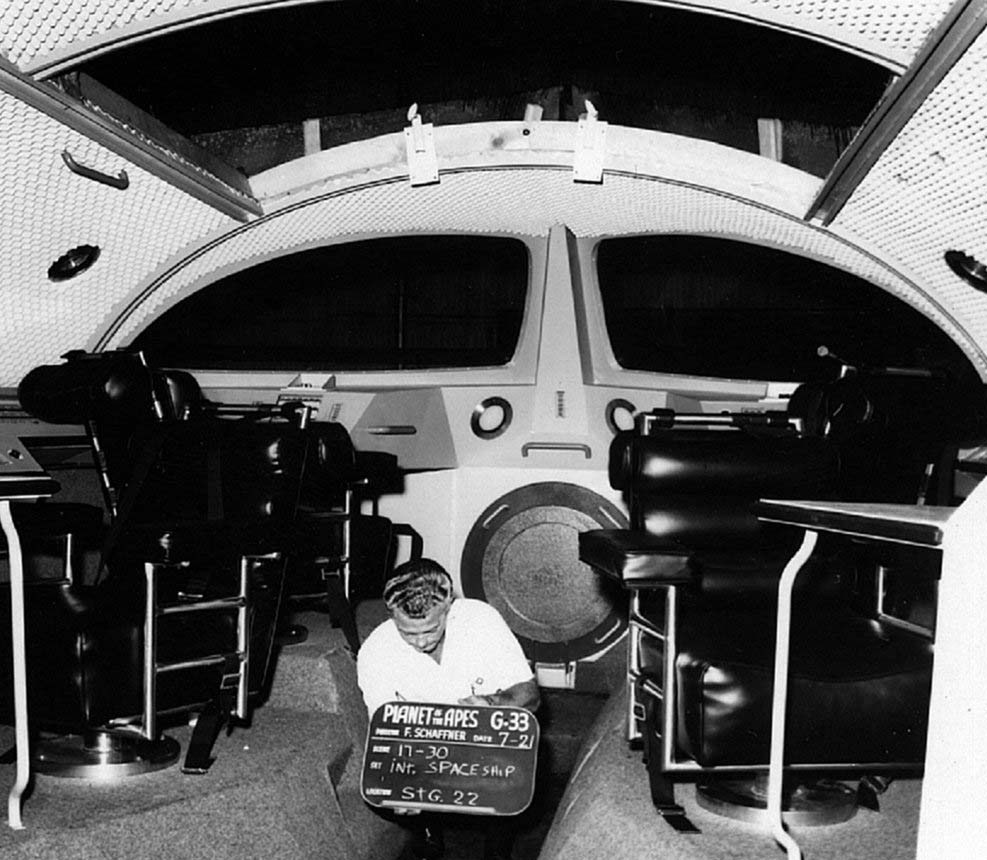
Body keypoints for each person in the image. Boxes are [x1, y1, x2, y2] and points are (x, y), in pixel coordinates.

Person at [357, 557, 540, 860]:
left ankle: (497, 849)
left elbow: (530, 696)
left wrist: (492, 705)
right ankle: (428, 831)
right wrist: (399, 786)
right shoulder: (375, 652)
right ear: (391, 615)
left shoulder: (482, 621)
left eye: (430, 629)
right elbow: (383, 734)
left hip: (486, 743)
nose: (420, 642)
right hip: (424, 750)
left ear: (448, 608)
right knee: (380, 794)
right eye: (407, 632)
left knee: (514, 784)